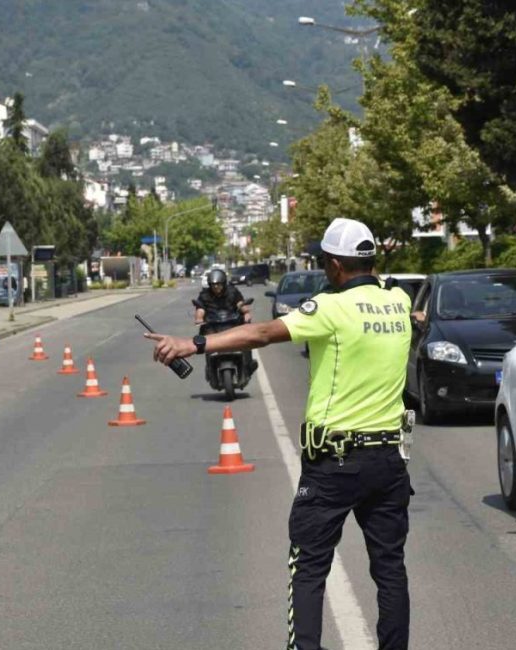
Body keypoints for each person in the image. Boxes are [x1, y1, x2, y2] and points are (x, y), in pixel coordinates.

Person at [146, 218, 414, 650]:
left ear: (333, 264)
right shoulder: (398, 301)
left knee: (309, 566)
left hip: (336, 462)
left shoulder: (331, 308)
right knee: (390, 569)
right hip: (389, 460)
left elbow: (262, 333)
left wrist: (193, 345)